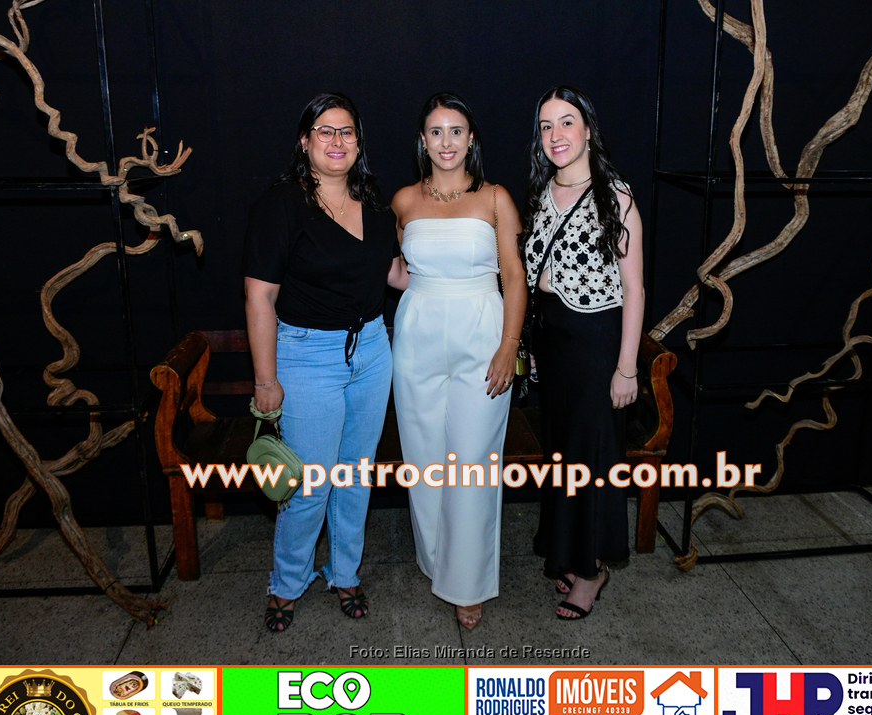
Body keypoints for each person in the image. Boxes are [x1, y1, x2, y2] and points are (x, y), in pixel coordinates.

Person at [243, 92, 408, 632]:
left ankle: (344, 572)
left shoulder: (375, 205)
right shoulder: (282, 204)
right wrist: (265, 380)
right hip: (306, 356)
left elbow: (396, 275)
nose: (337, 141)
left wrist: (470, 271)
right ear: (304, 141)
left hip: (372, 351)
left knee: (355, 477)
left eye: (347, 132)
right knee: (311, 484)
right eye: (325, 131)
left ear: (359, 142)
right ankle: (287, 582)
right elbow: (260, 297)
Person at [391, 92, 527, 630]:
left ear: (471, 139)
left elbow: (513, 275)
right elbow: (401, 271)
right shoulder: (404, 201)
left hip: (482, 335)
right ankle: (437, 563)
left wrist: (509, 345)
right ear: (422, 140)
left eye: (456, 131)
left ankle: (467, 583)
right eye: (435, 131)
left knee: (472, 463)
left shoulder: (495, 198)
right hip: (417, 335)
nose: (445, 142)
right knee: (424, 460)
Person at [520, 86, 644, 620]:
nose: (556, 135)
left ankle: (593, 572)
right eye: (546, 125)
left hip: (597, 343)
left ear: (588, 129)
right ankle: (571, 554)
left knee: (593, 457)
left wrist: (626, 368)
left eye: (567, 122)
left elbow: (635, 289)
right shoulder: (542, 192)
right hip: (553, 343)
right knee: (564, 454)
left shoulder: (616, 196)